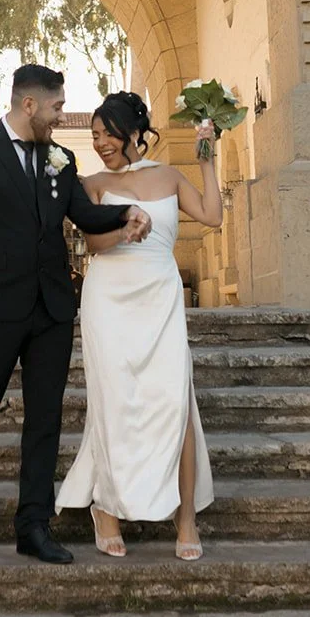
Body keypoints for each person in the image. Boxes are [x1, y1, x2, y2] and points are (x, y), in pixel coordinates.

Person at [0, 64, 153, 565]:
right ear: (28, 104)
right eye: (55, 108)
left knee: (46, 420)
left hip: (51, 309)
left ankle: (33, 525)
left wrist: (123, 213)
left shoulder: (61, 158)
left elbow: (83, 214)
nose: (59, 117)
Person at [56, 91, 221, 560]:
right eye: (94, 135)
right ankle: (105, 509)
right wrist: (123, 229)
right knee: (114, 401)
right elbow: (94, 244)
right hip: (110, 298)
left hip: (160, 297)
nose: (101, 142)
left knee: (176, 401)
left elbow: (211, 215)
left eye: (108, 133)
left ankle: (185, 515)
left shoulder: (169, 175)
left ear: (133, 132)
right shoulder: (90, 183)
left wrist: (208, 158)